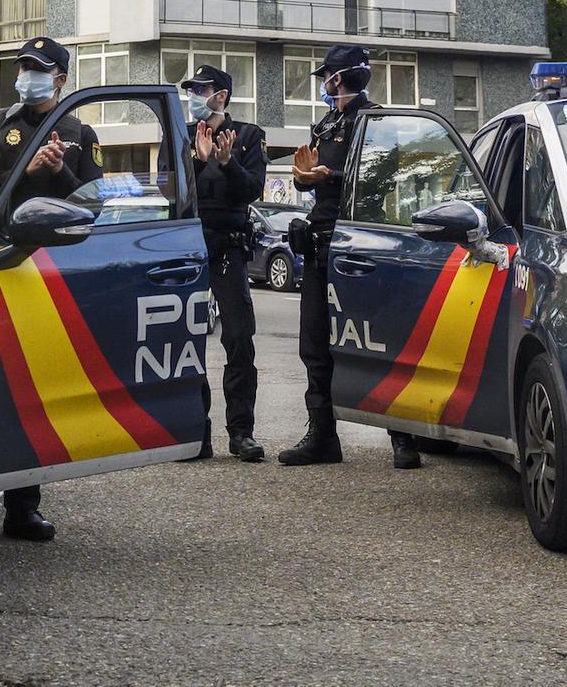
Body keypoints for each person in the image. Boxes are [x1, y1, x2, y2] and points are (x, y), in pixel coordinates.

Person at [0, 35, 104, 541]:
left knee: (35, 384)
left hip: (52, 273)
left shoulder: (78, 131)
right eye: (23, 66)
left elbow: (95, 203)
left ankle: (24, 504)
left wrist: (59, 168)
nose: (27, 74)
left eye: (38, 68)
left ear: (61, 79)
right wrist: (23, 175)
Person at [279, 45, 422, 470]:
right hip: (323, 242)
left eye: (326, 77)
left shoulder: (375, 121)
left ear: (337, 79)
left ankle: (403, 437)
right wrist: (305, 179)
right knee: (315, 342)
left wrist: (331, 176)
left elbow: (381, 177)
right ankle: (322, 436)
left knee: (380, 338)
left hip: (362, 243)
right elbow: (310, 180)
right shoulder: (326, 124)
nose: (324, 84)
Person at [179, 65, 267, 463]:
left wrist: (227, 162)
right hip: (192, 248)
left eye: (201, 89)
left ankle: (241, 432)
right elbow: (171, 190)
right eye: (191, 89)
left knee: (238, 339)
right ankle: (196, 432)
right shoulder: (181, 134)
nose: (194, 95)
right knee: (188, 343)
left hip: (229, 249)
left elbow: (252, 189)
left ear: (222, 96)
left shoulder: (248, 136)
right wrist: (198, 162)